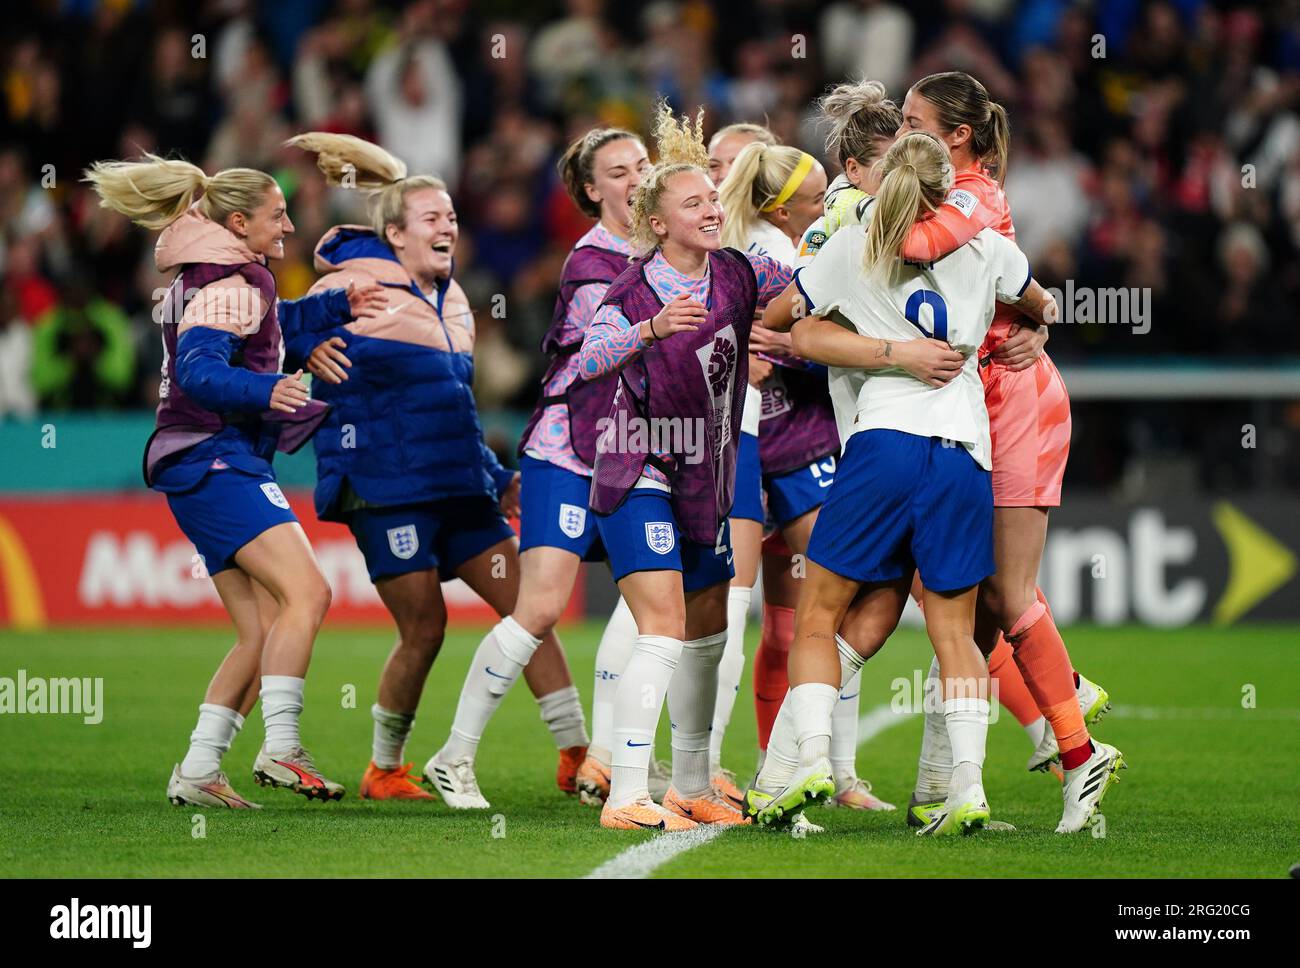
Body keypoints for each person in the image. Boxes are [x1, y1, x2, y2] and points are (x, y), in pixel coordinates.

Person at [750, 131, 1097, 835]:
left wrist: (867, 341)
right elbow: (1042, 303)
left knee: (818, 617)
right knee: (955, 633)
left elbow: (785, 318)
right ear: (952, 193)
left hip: (883, 444)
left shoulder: (853, 244)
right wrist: (1034, 329)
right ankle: (966, 789)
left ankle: (812, 760)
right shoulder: (991, 249)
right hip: (966, 453)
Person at [284, 133, 589, 807]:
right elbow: (275, 330)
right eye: (432, 217)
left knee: (530, 610)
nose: (448, 225)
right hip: (386, 486)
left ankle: (577, 754)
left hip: (460, 483)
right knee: (424, 628)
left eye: (451, 216)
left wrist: (494, 473)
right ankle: (385, 768)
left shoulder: (452, 300)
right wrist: (298, 359)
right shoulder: (349, 286)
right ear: (394, 232)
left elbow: (454, 405)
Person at [84, 152, 379, 807]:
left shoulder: (223, 276)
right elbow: (198, 369)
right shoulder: (231, 282)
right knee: (309, 593)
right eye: (278, 215)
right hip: (216, 458)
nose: (290, 225)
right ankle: (281, 749)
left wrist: (331, 308)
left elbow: (264, 327)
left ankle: (198, 768)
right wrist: (269, 388)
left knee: (263, 627)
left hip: (197, 460)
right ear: (240, 221)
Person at [883, 72, 1118, 833]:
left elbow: (915, 244)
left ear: (956, 136)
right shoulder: (955, 191)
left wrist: (851, 215)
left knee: (1005, 594)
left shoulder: (973, 196)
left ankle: (1077, 750)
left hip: (1015, 400)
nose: (899, 132)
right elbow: (1018, 288)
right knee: (964, 595)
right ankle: (961, 783)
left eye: (913, 121)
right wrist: (1037, 311)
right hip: (975, 399)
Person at [577, 102, 795, 831]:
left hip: (708, 476)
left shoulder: (738, 272)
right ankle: (627, 793)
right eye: (694, 201)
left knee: (710, 633)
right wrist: (647, 330)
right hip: (637, 466)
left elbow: (807, 281)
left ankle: (692, 784)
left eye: (713, 196)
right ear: (659, 222)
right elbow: (590, 356)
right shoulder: (633, 288)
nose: (711, 207)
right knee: (664, 627)